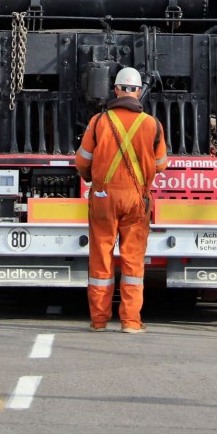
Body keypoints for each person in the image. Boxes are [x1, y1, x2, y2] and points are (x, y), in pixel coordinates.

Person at [75, 66, 168, 333]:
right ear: (139, 92)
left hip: (104, 198)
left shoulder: (98, 122)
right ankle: (130, 321)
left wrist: (92, 178)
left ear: (116, 89)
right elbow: (161, 164)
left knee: (101, 258)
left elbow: (82, 161)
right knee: (133, 262)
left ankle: (99, 320)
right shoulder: (152, 125)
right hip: (137, 199)